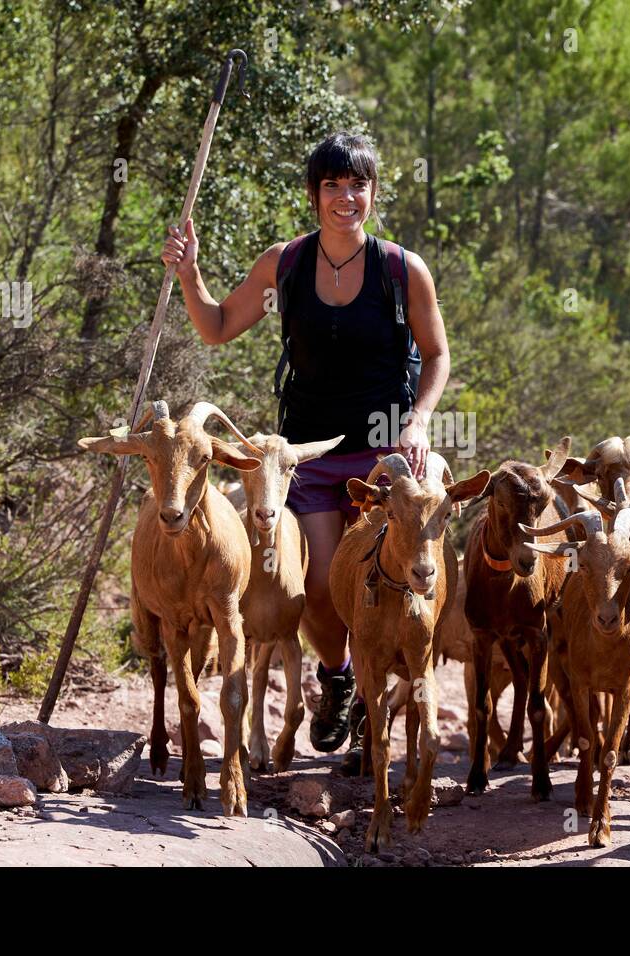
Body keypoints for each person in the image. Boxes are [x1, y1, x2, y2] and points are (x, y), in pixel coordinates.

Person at [160, 130, 451, 771]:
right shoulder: (283, 266)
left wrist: (421, 421)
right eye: (332, 187)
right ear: (313, 195)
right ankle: (338, 674)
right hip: (308, 455)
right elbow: (215, 327)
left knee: (389, 584)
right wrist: (189, 273)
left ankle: (389, 704)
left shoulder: (403, 270)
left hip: (383, 457)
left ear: (372, 192)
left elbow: (436, 355)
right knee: (319, 588)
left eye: (358, 186)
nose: (346, 198)